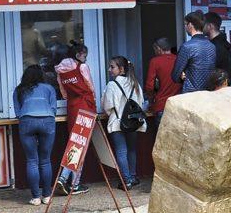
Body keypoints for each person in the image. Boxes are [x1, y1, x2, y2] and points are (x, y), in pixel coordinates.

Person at [14, 65, 57, 205]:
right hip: (47, 120)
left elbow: (18, 112)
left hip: (27, 121)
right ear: (41, 75)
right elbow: (54, 109)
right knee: (45, 160)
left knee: (32, 160)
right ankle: (47, 196)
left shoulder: (19, 90)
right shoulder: (49, 88)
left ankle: (36, 197)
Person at [55, 43, 95, 195]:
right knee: (80, 146)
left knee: (75, 144)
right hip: (85, 106)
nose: (86, 58)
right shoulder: (82, 67)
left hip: (72, 107)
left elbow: (64, 93)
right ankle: (70, 181)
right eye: (85, 55)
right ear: (78, 55)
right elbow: (90, 87)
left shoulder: (60, 71)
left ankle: (69, 180)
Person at [103, 56, 146, 190]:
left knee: (121, 151)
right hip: (133, 122)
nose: (109, 69)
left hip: (117, 122)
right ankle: (132, 177)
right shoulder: (135, 83)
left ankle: (126, 181)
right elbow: (141, 103)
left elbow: (107, 106)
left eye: (112, 67)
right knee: (131, 150)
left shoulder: (112, 85)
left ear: (121, 69)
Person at [172, 11, 217, 93]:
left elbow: (175, 75)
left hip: (191, 93)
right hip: (208, 93)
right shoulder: (212, 46)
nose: (185, 27)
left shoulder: (187, 47)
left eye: (185, 24)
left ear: (190, 25)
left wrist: (182, 76)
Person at [144, 37, 181, 133]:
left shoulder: (155, 61)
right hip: (178, 105)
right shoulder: (178, 59)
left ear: (159, 48)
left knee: (161, 139)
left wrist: (151, 101)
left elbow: (149, 86)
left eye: (155, 50)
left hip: (161, 105)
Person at [203, 11, 231, 79]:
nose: (201, 27)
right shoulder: (224, 43)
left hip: (216, 84)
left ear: (210, 26)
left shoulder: (216, 46)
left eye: (203, 25)